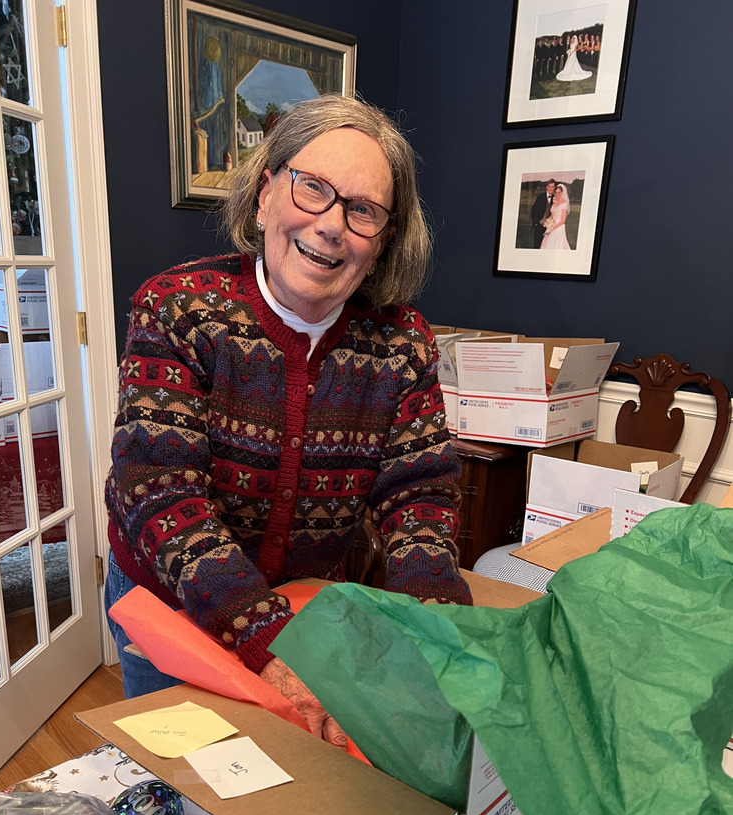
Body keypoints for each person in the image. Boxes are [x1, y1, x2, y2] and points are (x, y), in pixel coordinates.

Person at [104, 93, 473, 746]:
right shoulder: (178, 310)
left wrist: (437, 633)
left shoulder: (402, 342)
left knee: (296, 785)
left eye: (363, 210)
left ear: (384, 240)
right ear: (265, 194)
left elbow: (419, 496)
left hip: (305, 604)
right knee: (187, 782)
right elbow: (163, 495)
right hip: (172, 601)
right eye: (313, 189)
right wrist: (271, 642)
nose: (332, 225)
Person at [540, 183, 571, 250]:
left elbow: (563, 220)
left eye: (559, 192)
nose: (557, 194)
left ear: (562, 193)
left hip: (558, 227)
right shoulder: (554, 201)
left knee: (556, 245)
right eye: (556, 192)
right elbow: (552, 214)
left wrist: (553, 228)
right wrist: (548, 222)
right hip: (552, 224)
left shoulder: (564, 204)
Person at [531, 178, 556, 249]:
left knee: (546, 246)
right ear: (546, 187)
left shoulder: (555, 198)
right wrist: (535, 223)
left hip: (549, 227)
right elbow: (534, 210)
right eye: (549, 186)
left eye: (552, 187)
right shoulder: (540, 197)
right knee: (537, 245)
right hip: (539, 224)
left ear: (554, 188)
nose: (550, 189)